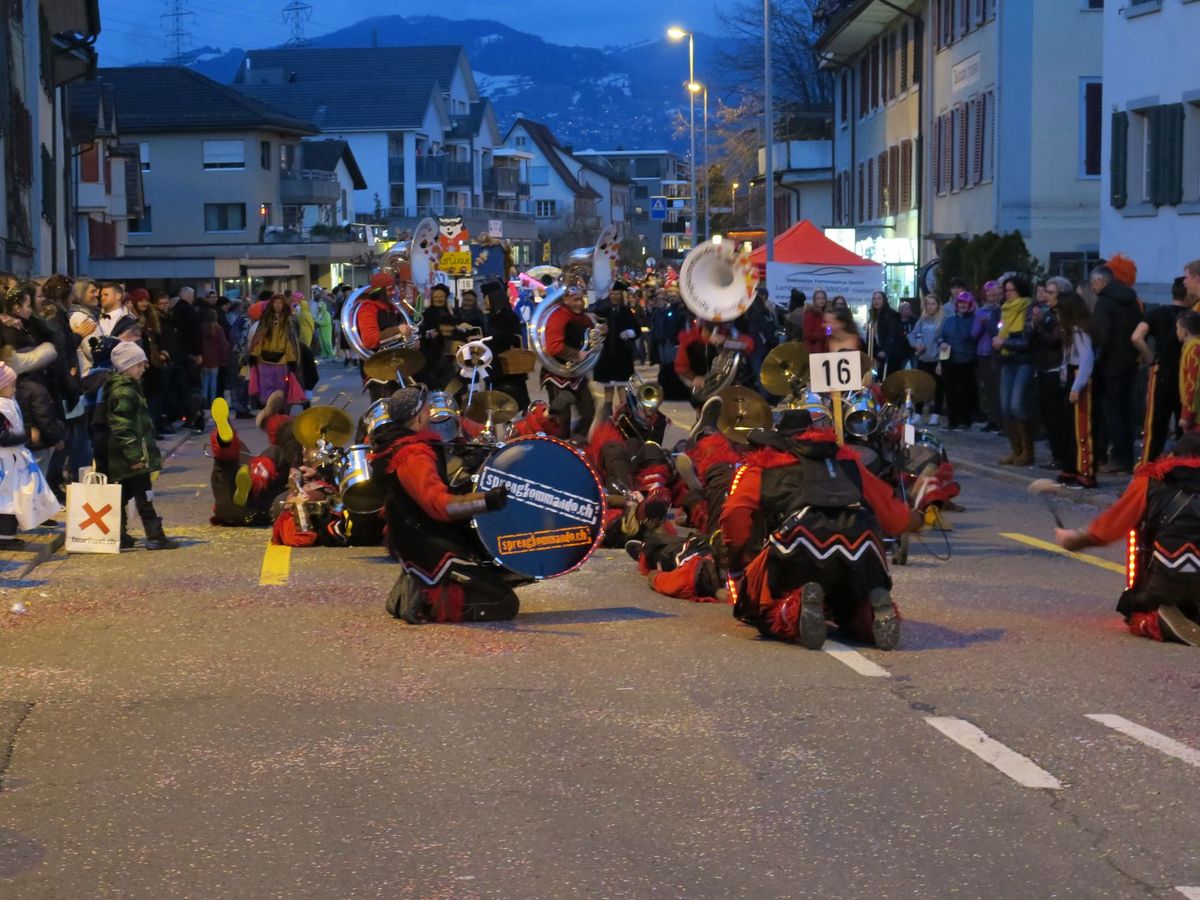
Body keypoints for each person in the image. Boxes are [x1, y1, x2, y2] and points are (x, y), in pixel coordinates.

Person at [721, 413, 924, 650]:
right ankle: (871, 613)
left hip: (796, 550)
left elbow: (734, 514)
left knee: (765, 609)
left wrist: (739, 556)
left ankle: (795, 612)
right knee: (850, 608)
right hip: (859, 548)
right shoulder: (848, 462)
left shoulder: (761, 467)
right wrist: (917, 519)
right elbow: (894, 519)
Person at [370, 386, 516, 624]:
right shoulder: (413, 454)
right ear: (418, 417)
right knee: (504, 603)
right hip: (429, 547)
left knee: (496, 576)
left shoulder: (395, 446)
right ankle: (422, 601)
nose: (431, 412)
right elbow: (440, 506)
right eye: (427, 408)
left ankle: (413, 585)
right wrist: (487, 500)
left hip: (413, 541)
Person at [1055, 432, 1200, 645]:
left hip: (1163, 585)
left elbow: (1111, 526)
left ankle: (1155, 621)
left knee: (1135, 613)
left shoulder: (1150, 481)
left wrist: (1074, 539)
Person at [104, 342, 178, 551]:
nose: (142, 369)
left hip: (129, 456)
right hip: (132, 457)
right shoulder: (124, 392)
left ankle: (119, 533)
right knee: (144, 495)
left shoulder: (129, 388)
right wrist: (136, 456)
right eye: (138, 365)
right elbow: (122, 427)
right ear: (125, 367)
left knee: (124, 493)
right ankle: (154, 535)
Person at [1090, 264, 1143, 474]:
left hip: (1111, 364)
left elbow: (1102, 335)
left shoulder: (1104, 302)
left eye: (1093, 283)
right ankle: (1127, 456)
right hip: (1129, 361)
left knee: (1112, 411)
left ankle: (1119, 457)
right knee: (1126, 410)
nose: (1092, 288)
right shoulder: (1131, 300)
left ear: (1101, 281)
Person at [0, 362, 59, 549]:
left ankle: (8, 536)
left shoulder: (8, 403)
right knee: (8, 499)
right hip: (6, 463)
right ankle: (4, 538)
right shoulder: (2, 408)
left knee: (17, 497)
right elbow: (2, 436)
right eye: (11, 386)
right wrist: (26, 435)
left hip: (15, 459)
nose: (15, 389)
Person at [1133, 277, 1188, 462]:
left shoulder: (1157, 313)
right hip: (1186, 375)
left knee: (1155, 426)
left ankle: (1148, 471)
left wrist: (1151, 359)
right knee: (1185, 428)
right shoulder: (1193, 316)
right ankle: (1184, 468)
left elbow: (1136, 337)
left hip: (1161, 374)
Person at [541, 285, 601, 439]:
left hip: (576, 373)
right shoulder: (558, 316)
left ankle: (577, 443)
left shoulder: (583, 317)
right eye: (575, 300)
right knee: (561, 418)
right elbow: (553, 347)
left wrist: (602, 329)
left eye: (581, 299)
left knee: (589, 412)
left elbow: (595, 331)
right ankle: (561, 450)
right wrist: (576, 354)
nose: (579, 303)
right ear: (565, 300)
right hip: (556, 373)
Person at [1055, 291, 1098, 489]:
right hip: (1072, 375)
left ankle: (1086, 471)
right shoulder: (1072, 331)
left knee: (1082, 427)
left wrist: (1076, 386)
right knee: (1070, 427)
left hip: (1080, 379)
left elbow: (1087, 359)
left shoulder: (1080, 332)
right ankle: (1072, 466)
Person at [994, 274, 1036, 467]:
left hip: (1023, 360)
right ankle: (1016, 450)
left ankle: (1028, 451)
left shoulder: (1028, 308)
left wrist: (1005, 342)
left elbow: (1028, 339)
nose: (1008, 294)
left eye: (1011, 290)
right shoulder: (1005, 310)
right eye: (1006, 290)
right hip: (1007, 360)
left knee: (1017, 404)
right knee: (1005, 407)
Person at [674, 318, 755, 409]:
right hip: (704, 394)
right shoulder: (690, 339)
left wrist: (726, 341)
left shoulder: (730, 334)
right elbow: (680, 366)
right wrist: (693, 379)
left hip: (730, 393)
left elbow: (748, 345)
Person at [1032, 277, 1070, 470]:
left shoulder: (1062, 315)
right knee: (1046, 414)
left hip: (1056, 369)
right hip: (1043, 367)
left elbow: (1055, 341)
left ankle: (1061, 456)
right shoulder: (1048, 313)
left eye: (1050, 292)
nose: (1046, 295)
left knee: (1055, 416)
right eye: (1045, 291)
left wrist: (1038, 326)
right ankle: (1056, 454)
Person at [481, 280, 530, 412]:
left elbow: (513, 336)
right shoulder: (492, 316)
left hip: (507, 362)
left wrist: (492, 338)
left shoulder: (507, 316)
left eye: (486, 299)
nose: (484, 302)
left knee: (509, 394)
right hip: (497, 362)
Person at [591, 281, 640, 407]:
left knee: (622, 388)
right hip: (606, 354)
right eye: (613, 294)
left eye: (618, 294)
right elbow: (591, 322)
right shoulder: (601, 310)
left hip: (622, 355)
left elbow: (637, 329)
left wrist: (630, 332)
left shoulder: (626, 311)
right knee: (608, 391)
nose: (615, 296)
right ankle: (608, 416)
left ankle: (623, 414)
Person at [248, 294, 300, 410]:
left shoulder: (288, 322)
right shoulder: (265, 320)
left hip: (282, 361)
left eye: (280, 303)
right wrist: (253, 355)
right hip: (264, 360)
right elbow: (259, 339)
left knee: (280, 388)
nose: (278, 306)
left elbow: (290, 343)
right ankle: (269, 412)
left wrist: (292, 360)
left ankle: (278, 411)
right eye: (275, 303)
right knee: (266, 389)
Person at [940, 291, 978, 432]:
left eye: (965, 303)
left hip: (966, 360)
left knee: (964, 392)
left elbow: (973, 339)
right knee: (950, 392)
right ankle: (952, 420)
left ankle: (964, 421)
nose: (962, 305)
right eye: (960, 303)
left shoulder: (974, 320)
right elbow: (942, 337)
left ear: (970, 305)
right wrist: (942, 346)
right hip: (949, 360)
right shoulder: (949, 320)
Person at [908, 295, 945, 426]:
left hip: (936, 359)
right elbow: (912, 335)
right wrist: (917, 344)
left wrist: (941, 361)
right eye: (928, 304)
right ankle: (918, 413)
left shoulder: (942, 321)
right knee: (919, 387)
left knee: (938, 387)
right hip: (923, 359)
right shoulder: (922, 320)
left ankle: (935, 414)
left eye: (933, 304)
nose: (930, 306)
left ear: (938, 305)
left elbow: (945, 342)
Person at [971, 281, 1002, 431]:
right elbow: (974, 334)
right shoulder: (981, 311)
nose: (991, 295)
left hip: (995, 353)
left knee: (997, 387)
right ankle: (992, 418)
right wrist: (982, 325)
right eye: (988, 292)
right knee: (988, 388)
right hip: (982, 353)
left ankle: (1000, 419)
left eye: (994, 292)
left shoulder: (1001, 310)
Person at [868, 291, 907, 376]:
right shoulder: (872, 315)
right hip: (878, 353)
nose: (876, 301)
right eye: (874, 299)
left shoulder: (891, 315)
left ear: (884, 300)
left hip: (891, 354)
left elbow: (893, 335)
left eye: (879, 298)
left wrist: (885, 350)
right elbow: (871, 335)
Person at [198, 307, 230, 408]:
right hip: (215, 359)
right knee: (213, 383)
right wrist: (224, 358)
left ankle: (203, 401)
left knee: (204, 382)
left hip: (204, 358)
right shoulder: (218, 328)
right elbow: (223, 344)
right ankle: (212, 401)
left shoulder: (201, 328)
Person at [1179, 311, 1200, 435]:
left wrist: (1187, 415)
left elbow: (1193, 384)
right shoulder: (1188, 347)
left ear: (1184, 330)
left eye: (1177, 327)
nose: (1176, 331)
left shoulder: (1195, 350)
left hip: (1196, 415)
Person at [314, 295, 334, 360]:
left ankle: (330, 355)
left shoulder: (326, 314)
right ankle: (324, 354)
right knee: (322, 342)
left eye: (320, 307)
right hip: (320, 330)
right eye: (319, 307)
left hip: (326, 330)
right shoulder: (319, 313)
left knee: (327, 342)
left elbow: (325, 322)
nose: (319, 308)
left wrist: (317, 321)